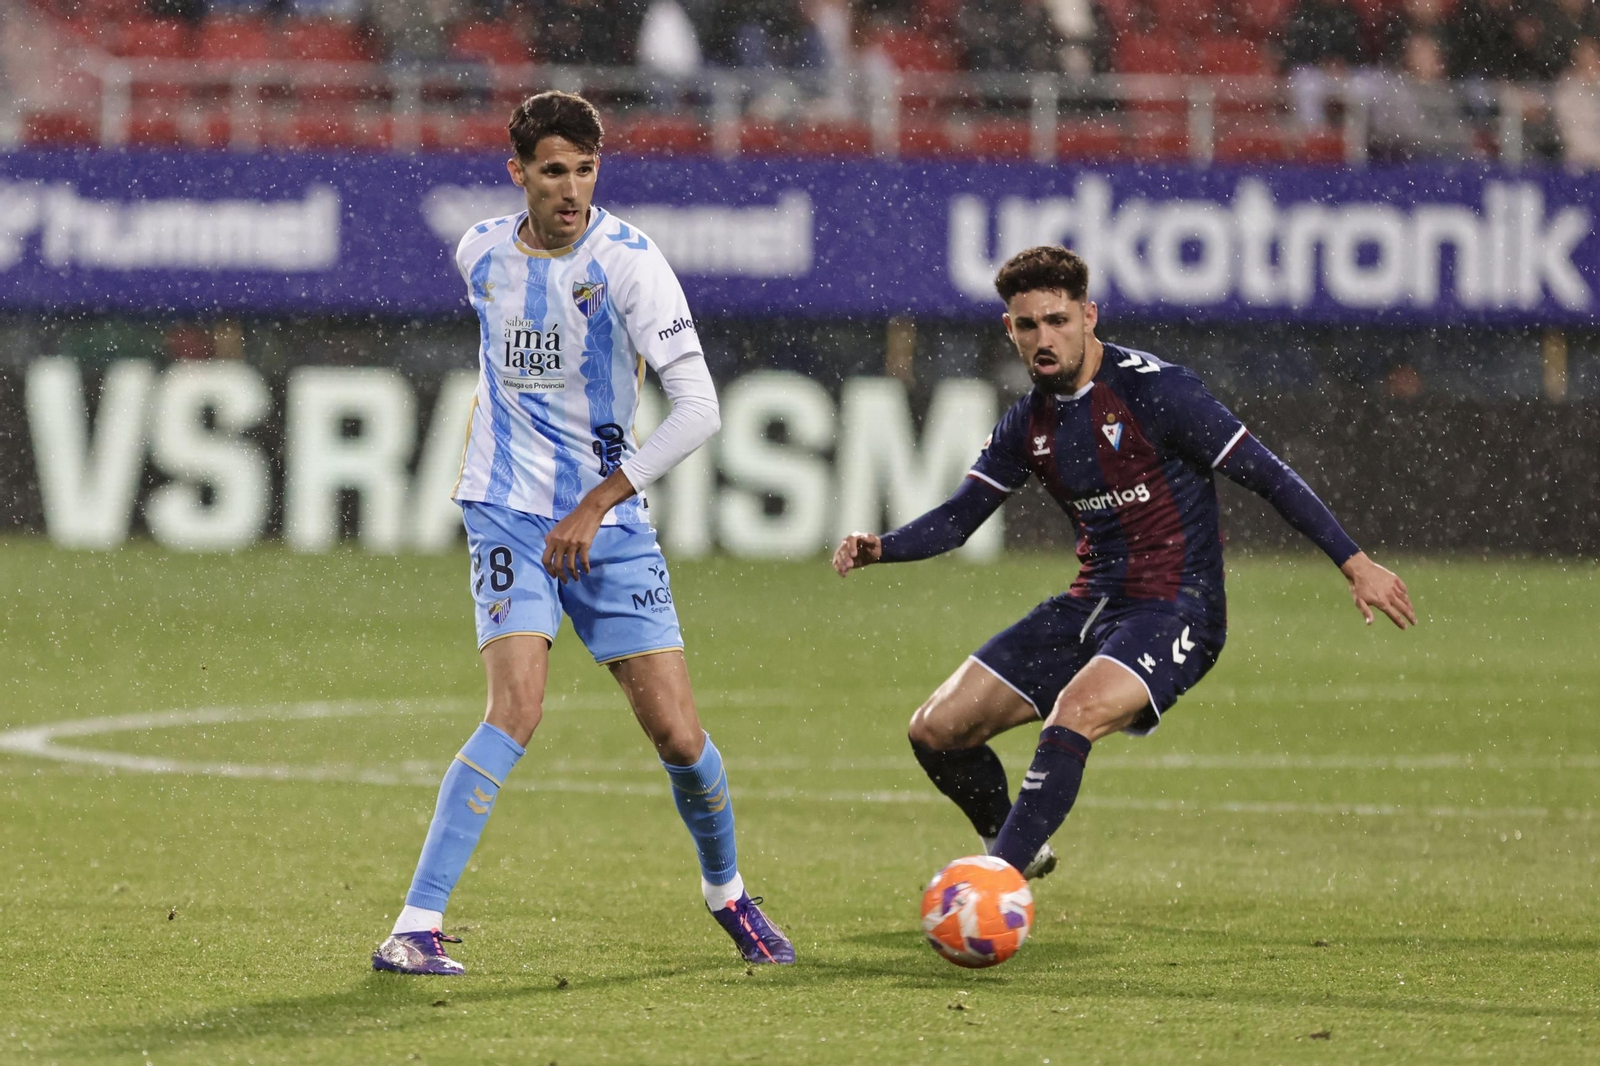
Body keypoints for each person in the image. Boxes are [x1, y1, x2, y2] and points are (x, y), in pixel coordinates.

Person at [373, 90, 793, 975]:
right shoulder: (478, 250)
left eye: (586, 170)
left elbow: (701, 411)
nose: (572, 189)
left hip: (608, 520)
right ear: (517, 171)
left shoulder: (632, 266)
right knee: (514, 710)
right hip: (505, 509)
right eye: (554, 170)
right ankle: (415, 923)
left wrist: (598, 502)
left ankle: (728, 893)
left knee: (679, 737)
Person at [831, 246, 1415, 882]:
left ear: (1089, 316)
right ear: (1010, 330)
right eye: (1028, 326)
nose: (1043, 339)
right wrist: (883, 546)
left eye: (1057, 320)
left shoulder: (1158, 391)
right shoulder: (1027, 422)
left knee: (1074, 713)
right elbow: (959, 517)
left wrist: (1353, 562)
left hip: (1176, 605)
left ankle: (994, 882)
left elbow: (1267, 474)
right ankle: (1013, 839)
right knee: (935, 730)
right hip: (1093, 602)